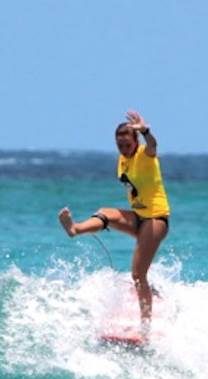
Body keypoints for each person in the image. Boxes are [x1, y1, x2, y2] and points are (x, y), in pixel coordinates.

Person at [58, 110, 170, 331]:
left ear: (135, 141)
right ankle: (75, 229)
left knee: (138, 274)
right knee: (106, 213)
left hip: (156, 219)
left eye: (127, 145)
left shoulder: (145, 155)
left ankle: (146, 327)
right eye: (119, 145)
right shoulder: (122, 160)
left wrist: (146, 131)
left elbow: (153, 146)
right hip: (138, 217)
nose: (123, 149)